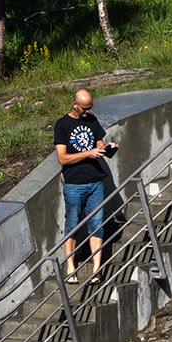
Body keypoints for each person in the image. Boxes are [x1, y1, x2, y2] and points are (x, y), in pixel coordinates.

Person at [54, 89, 113, 283]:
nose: (87, 111)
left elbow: (100, 146)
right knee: (72, 225)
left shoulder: (92, 121)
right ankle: (70, 267)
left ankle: (96, 269)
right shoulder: (62, 125)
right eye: (84, 108)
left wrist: (108, 149)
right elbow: (62, 158)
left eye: (90, 108)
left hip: (95, 181)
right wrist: (87, 154)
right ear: (75, 105)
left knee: (97, 224)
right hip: (74, 184)